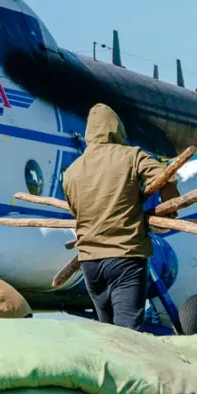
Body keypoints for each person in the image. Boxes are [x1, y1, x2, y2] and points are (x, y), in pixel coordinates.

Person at [60, 104, 179, 329]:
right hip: (125, 256)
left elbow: (76, 212)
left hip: (90, 262)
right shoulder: (131, 156)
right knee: (127, 331)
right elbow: (167, 176)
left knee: (108, 330)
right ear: (117, 129)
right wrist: (170, 208)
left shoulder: (71, 172)